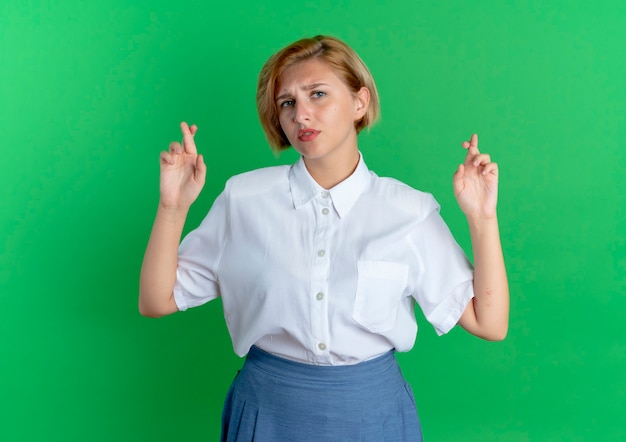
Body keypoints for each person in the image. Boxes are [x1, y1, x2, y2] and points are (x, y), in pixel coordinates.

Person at [139, 35, 509, 441]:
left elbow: (489, 322)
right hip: (268, 409)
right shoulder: (243, 198)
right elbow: (157, 301)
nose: (301, 114)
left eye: (317, 94)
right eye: (288, 103)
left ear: (360, 103)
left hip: (374, 414)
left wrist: (482, 218)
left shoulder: (409, 210)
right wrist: (172, 209)